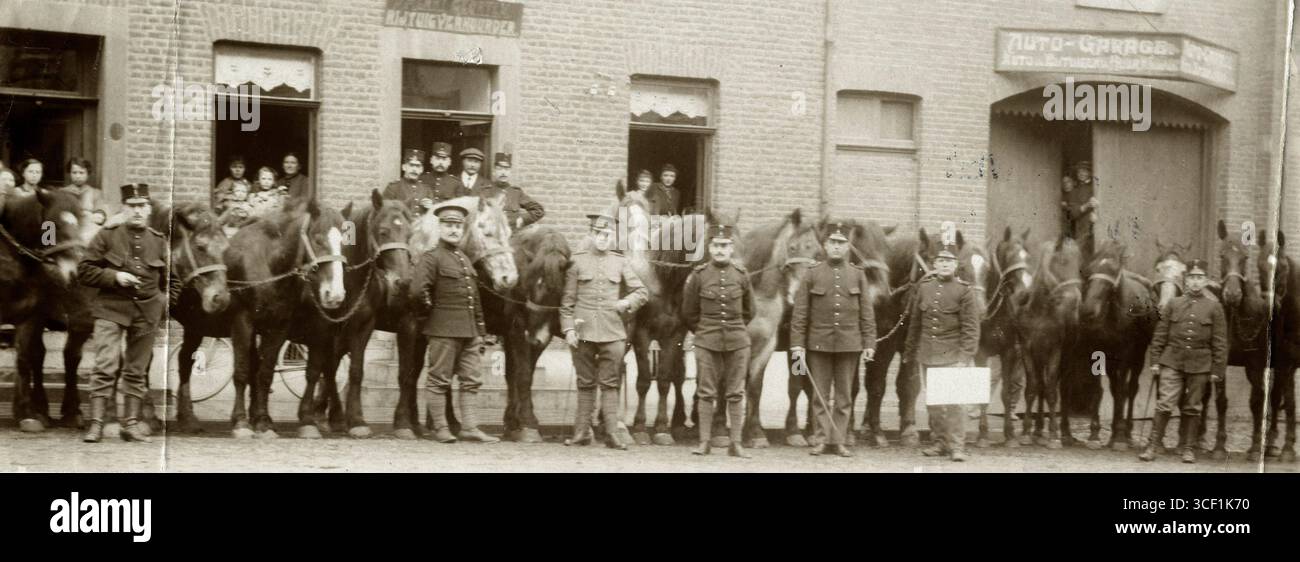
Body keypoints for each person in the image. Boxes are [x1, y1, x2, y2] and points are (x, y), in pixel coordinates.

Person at [77, 183, 168, 444]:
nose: (138, 211)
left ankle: (130, 424)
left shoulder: (159, 240)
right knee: (105, 365)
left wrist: (162, 302)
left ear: (149, 209)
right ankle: (96, 424)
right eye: (132, 206)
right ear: (124, 209)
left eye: (142, 206)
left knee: (136, 370)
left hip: (147, 312)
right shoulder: (107, 236)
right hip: (111, 309)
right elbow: (85, 269)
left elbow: (172, 279)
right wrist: (114, 276)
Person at [409, 203, 498, 444]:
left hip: (469, 332)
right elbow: (417, 292)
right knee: (439, 380)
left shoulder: (465, 260)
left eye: (458, 226)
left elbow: (475, 299)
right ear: (440, 228)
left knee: (471, 380)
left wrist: (480, 331)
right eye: (449, 225)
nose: (454, 230)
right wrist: (431, 315)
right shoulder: (431, 258)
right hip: (443, 331)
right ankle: (440, 428)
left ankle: (469, 427)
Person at [560, 212, 648, 450]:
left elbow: (641, 292)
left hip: (613, 333)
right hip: (583, 333)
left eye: (607, 235)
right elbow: (567, 303)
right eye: (599, 234)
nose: (603, 239)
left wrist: (626, 303)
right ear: (591, 234)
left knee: (610, 384)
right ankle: (581, 433)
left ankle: (612, 434)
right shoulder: (577, 262)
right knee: (585, 383)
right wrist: (568, 329)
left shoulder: (620, 261)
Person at [790, 222, 877, 457]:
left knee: (844, 396)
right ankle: (820, 439)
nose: (837, 247)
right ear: (825, 245)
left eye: (841, 243)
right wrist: (797, 345)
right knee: (819, 395)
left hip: (850, 345)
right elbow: (800, 313)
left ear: (847, 246)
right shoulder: (812, 274)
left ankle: (837, 440)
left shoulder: (858, 275)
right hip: (818, 344)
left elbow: (867, 314)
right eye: (832, 243)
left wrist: (869, 343)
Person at [1140, 259, 1227, 464]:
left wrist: (1217, 369)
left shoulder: (1215, 307)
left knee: (1193, 407)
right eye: (1192, 278)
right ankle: (1152, 446)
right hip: (1173, 360)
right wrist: (1155, 360)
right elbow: (1160, 334)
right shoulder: (1173, 303)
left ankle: (1189, 448)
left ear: (1206, 281)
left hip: (1200, 364)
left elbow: (1220, 342)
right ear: (1185, 280)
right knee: (1165, 403)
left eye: (1199, 278)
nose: (1195, 282)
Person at [682, 223, 755, 458]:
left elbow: (749, 311)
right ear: (710, 248)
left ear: (731, 248)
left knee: (735, 392)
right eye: (716, 245)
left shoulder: (742, 275)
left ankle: (736, 443)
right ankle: (704, 442)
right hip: (706, 341)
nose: (720, 250)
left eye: (724, 245)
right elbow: (689, 312)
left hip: (737, 341)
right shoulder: (699, 275)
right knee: (706, 392)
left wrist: (733, 328)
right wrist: (704, 331)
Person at [905, 244, 981, 462]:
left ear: (955, 265)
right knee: (934, 403)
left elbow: (971, 329)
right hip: (928, 355)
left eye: (949, 261)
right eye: (941, 261)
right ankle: (939, 442)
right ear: (934, 264)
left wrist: (964, 358)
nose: (945, 264)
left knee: (955, 403)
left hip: (952, 357)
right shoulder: (925, 288)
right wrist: (910, 352)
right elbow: (915, 324)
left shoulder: (964, 290)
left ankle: (957, 446)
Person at [475, 152, 545, 229]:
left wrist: (522, 220)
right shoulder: (485, 191)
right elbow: (477, 215)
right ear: (494, 172)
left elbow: (539, 210)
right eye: (499, 169)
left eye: (506, 169)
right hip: (492, 234)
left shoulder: (517, 193)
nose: (503, 172)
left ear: (510, 172)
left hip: (513, 235)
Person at [1061, 161, 1098, 256]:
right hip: (1082, 230)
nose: (1081, 174)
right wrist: (1086, 205)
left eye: (1084, 171)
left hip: (1097, 228)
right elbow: (1073, 213)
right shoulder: (1074, 191)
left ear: (1090, 173)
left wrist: (1097, 212)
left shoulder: (1097, 187)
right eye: (1079, 172)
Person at [382, 148, 435, 214]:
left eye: (418, 166)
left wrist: (431, 207)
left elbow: (433, 214)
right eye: (411, 165)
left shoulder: (426, 189)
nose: (414, 169)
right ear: (404, 167)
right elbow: (385, 211)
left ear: (421, 169)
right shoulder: (393, 188)